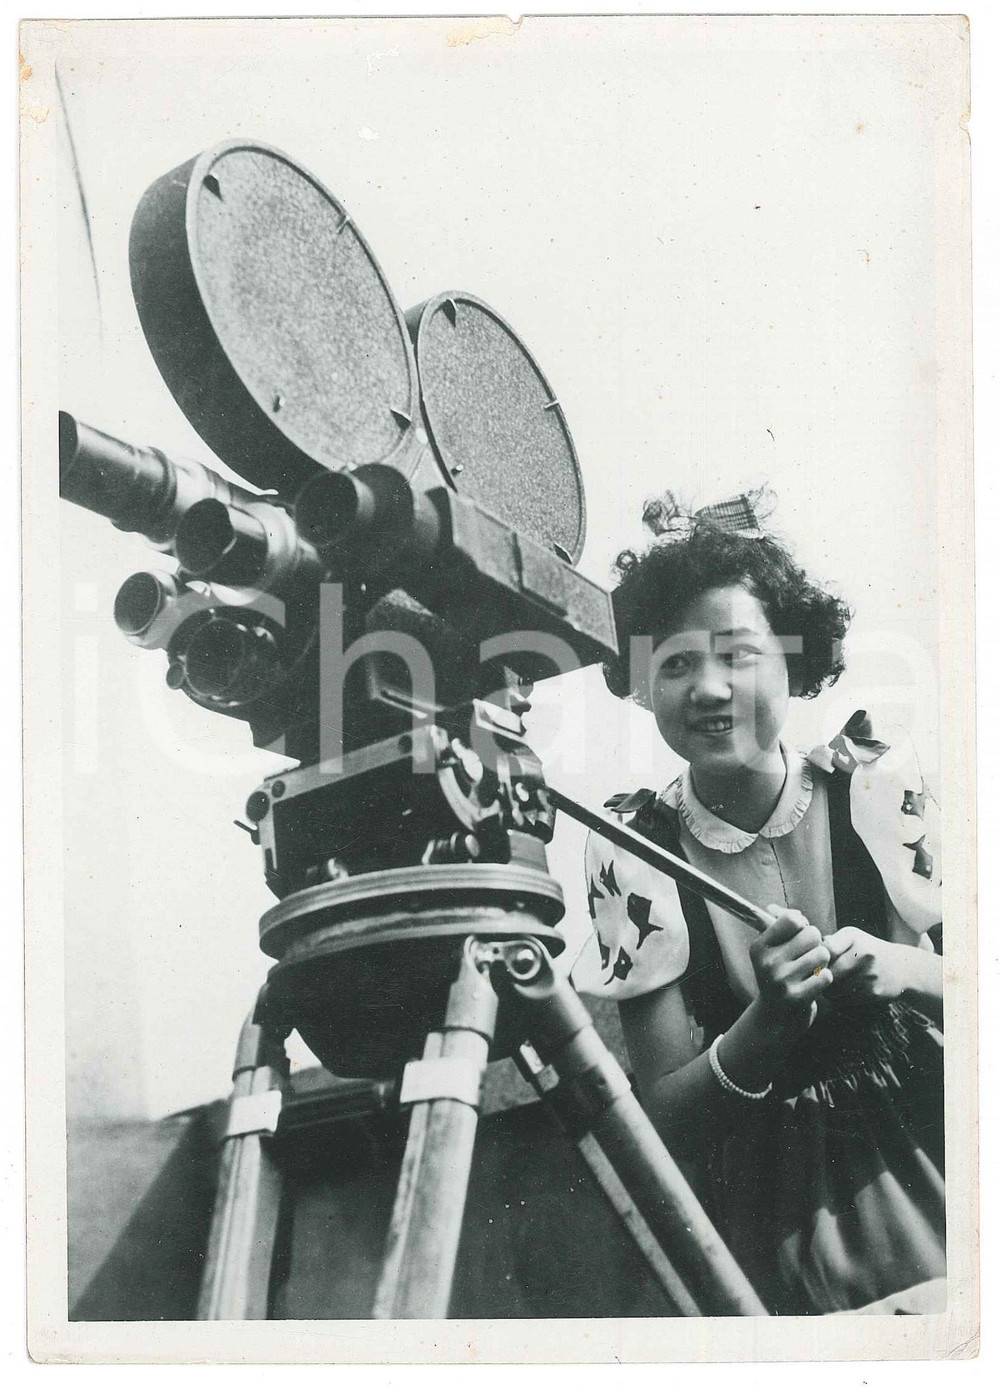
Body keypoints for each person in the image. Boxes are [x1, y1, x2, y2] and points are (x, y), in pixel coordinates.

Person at [579, 491, 945, 1315]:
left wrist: (904, 966)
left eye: (737, 654)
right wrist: (767, 1027)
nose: (708, 687)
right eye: (674, 664)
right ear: (642, 684)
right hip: (771, 1239)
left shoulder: (879, 787)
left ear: (795, 660)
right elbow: (663, 1119)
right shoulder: (632, 852)